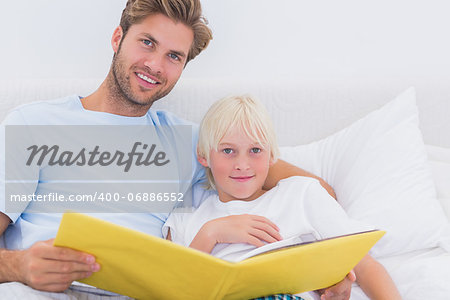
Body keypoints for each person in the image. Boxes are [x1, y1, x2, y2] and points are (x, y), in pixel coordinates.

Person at [0, 0, 350, 299]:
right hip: (41, 291)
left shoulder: (191, 143)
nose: (155, 65)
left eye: (173, 56)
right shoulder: (33, 124)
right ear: (118, 38)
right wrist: (18, 264)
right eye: (147, 43)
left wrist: (327, 267)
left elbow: (314, 189)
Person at [163, 95, 402, 300]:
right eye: (228, 151)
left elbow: (366, 266)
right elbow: (173, 290)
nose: (242, 165)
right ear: (204, 156)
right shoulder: (187, 219)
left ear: (271, 155)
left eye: (255, 150)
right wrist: (211, 234)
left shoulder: (301, 194)